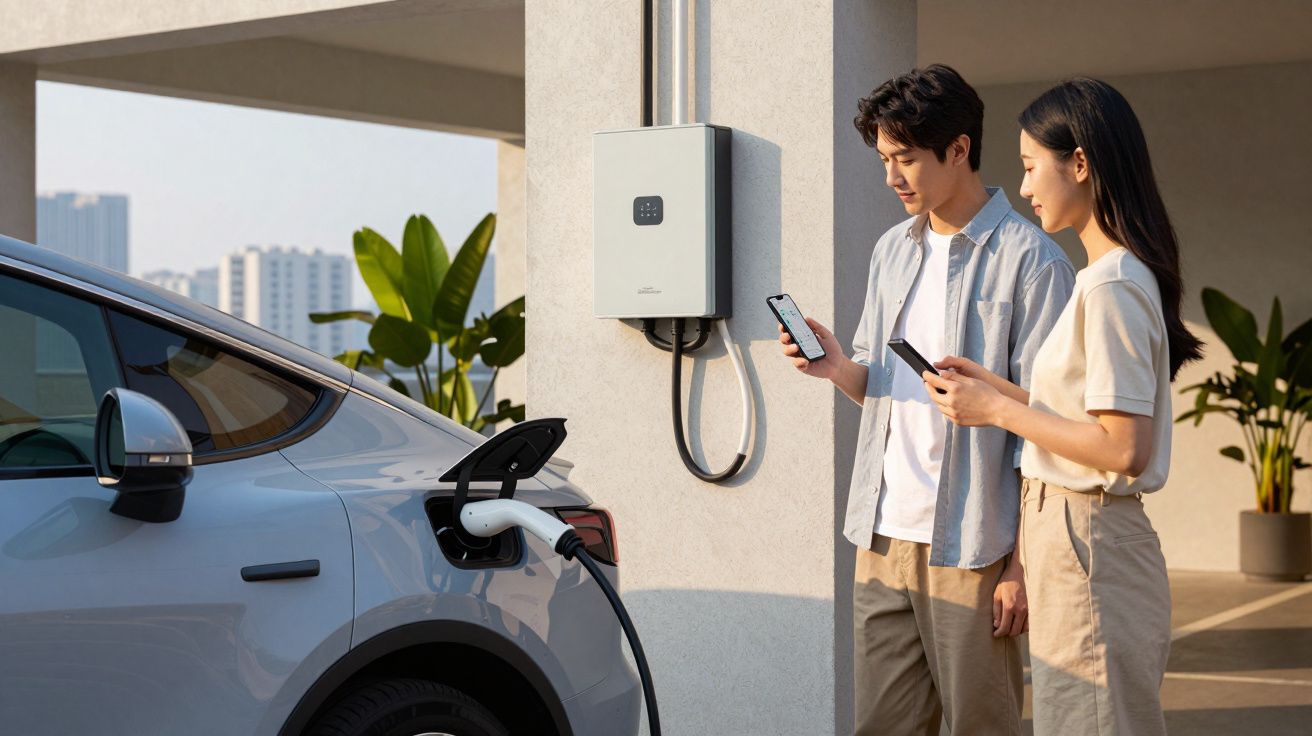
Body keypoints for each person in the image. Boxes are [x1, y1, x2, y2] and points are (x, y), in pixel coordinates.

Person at [778, 64, 1074, 736]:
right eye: (885, 159)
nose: (892, 177)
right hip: (884, 533)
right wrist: (836, 369)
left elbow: (1047, 429)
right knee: (882, 726)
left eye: (905, 158)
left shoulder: (1034, 263)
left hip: (976, 541)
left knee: (983, 725)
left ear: (960, 147)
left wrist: (1020, 567)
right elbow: (885, 394)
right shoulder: (892, 252)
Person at [922, 78, 1204, 735]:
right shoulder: (1105, 281)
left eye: (1029, 167)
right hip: (1077, 541)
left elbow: (1122, 449)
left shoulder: (1112, 287)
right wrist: (997, 390)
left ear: (1080, 163)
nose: (1023, 189)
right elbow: (1085, 418)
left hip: (1089, 542)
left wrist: (996, 413)